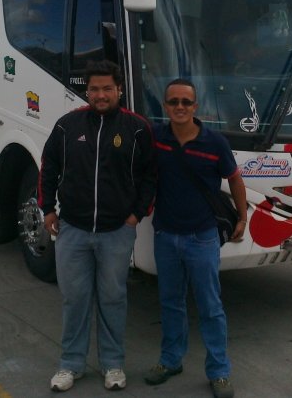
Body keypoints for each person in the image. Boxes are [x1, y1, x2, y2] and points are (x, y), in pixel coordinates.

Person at [40, 60, 156, 392]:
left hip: (116, 232)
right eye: (94, 89)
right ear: (86, 91)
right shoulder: (67, 125)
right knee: (74, 299)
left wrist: (136, 215)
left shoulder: (137, 128)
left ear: (119, 89)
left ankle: (113, 365)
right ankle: (70, 365)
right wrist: (48, 208)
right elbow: (49, 167)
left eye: (107, 88)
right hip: (72, 230)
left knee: (112, 298)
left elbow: (149, 176)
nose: (101, 95)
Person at [145, 78, 248, 398]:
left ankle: (219, 371)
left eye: (185, 102)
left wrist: (243, 218)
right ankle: (171, 360)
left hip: (202, 238)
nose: (179, 107)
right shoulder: (156, 138)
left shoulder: (214, 143)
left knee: (210, 306)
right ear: (165, 106)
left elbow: (235, 179)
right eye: (173, 101)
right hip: (165, 236)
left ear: (195, 107)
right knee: (170, 303)